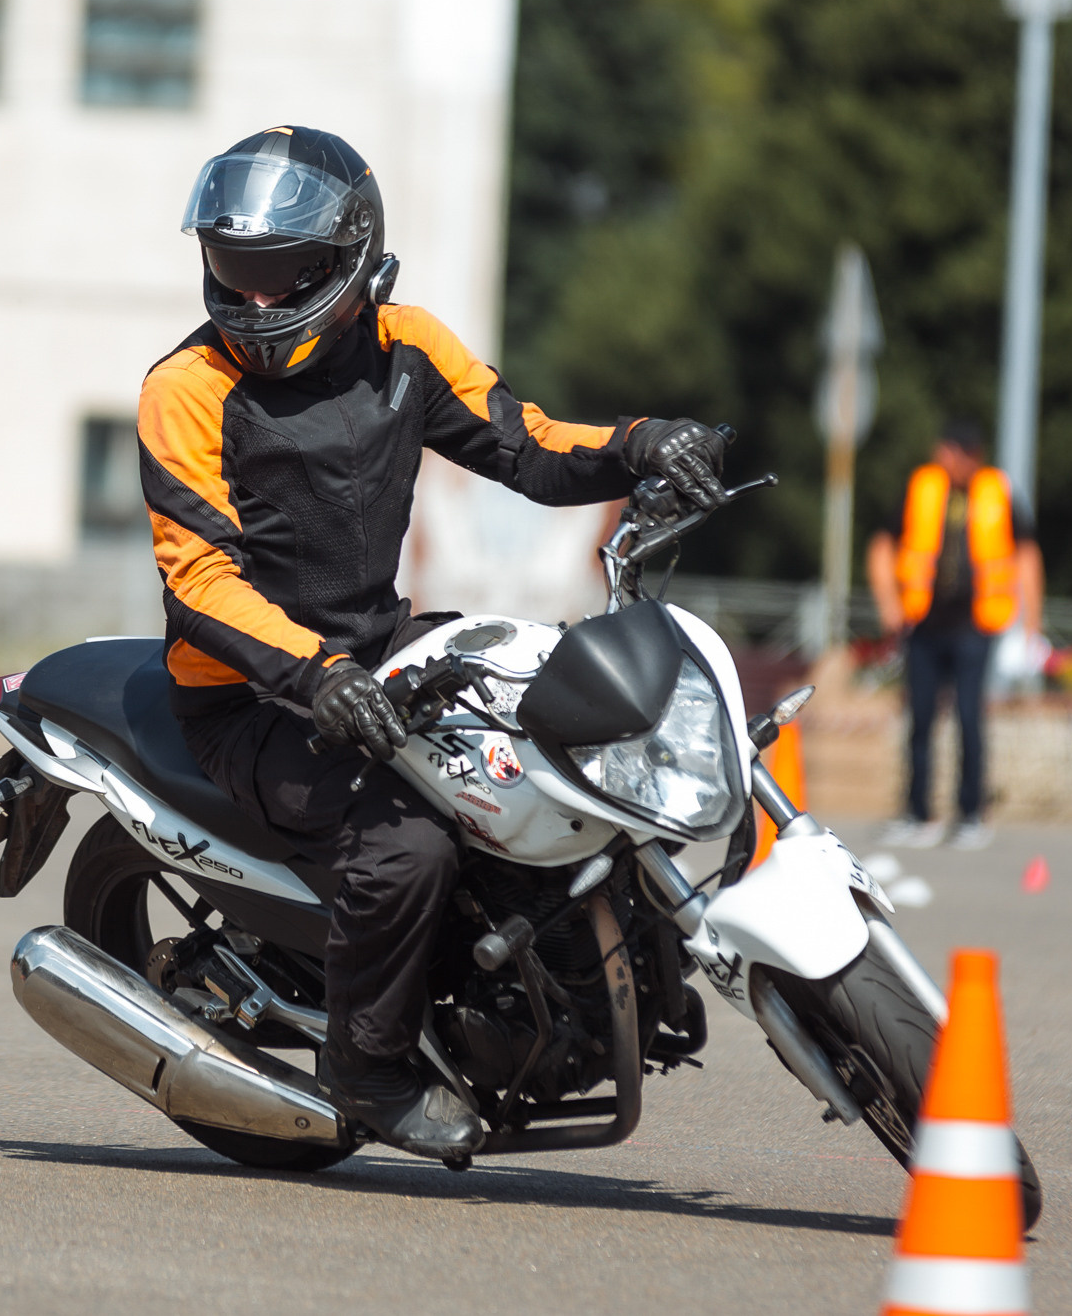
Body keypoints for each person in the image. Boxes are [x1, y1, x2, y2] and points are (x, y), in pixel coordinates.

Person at [136, 125, 728, 1160]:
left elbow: (527, 444)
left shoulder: (406, 345)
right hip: (250, 695)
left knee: (554, 742)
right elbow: (199, 583)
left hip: (376, 650)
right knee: (405, 844)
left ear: (352, 255)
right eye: (237, 274)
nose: (259, 303)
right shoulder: (184, 389)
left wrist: (644, 445)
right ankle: (367, 1067)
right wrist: (315, 673)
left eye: (288, 276)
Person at [863, 419, 1044, 851]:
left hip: (975, 627)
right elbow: (883, 545)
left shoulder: (997, 491)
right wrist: (888, 602)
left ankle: (971, 814)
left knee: (968, 719)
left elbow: (1026, 554)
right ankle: (918, 813)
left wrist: (1031, 624)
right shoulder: (921, 487)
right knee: (920, 720)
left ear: (972, 455)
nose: (945, 459)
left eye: (954, 452)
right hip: (924, 624)